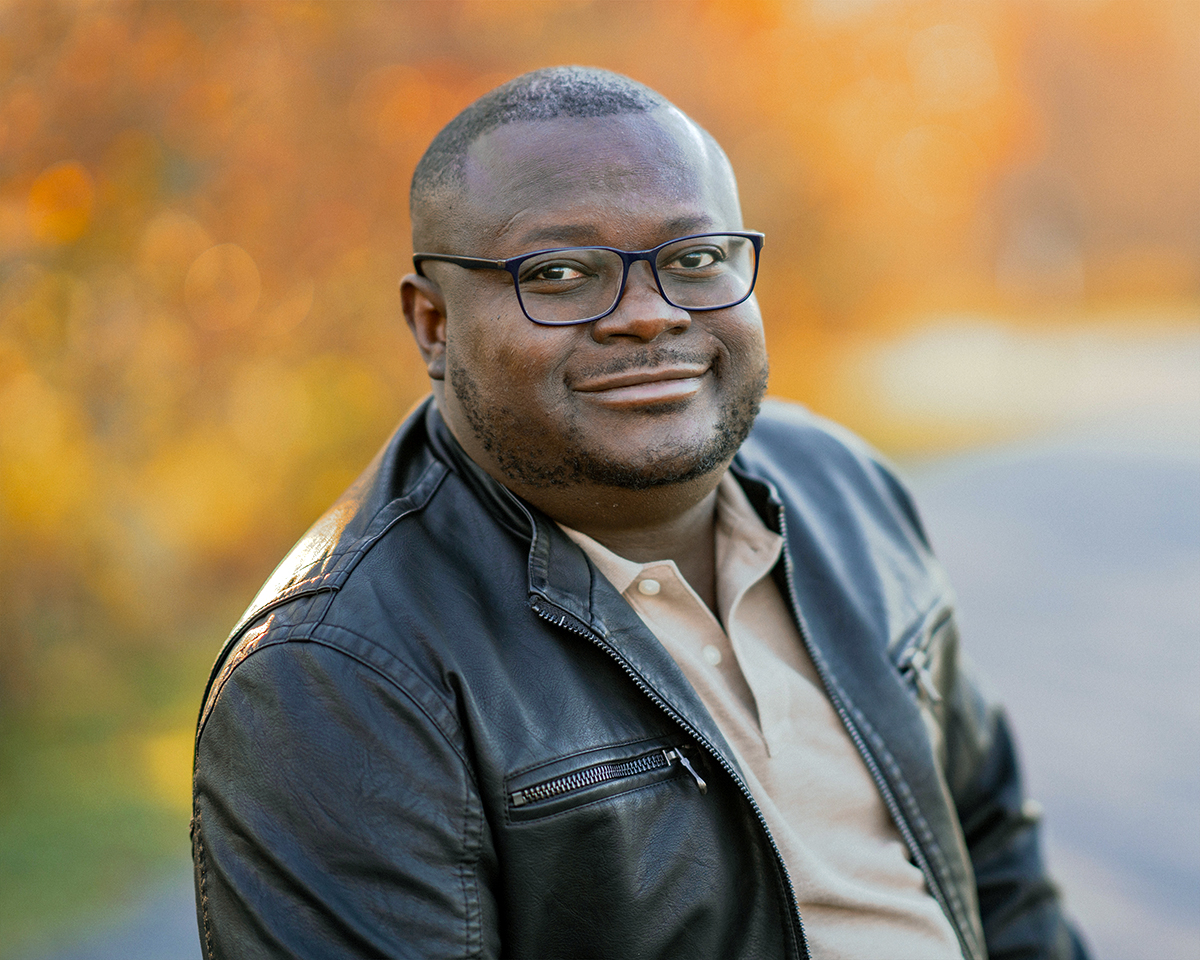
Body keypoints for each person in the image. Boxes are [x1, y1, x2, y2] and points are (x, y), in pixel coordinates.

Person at [191, 67, 1087, 960]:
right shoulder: (334, 676)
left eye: (695, 260)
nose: (649, 316)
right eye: (561, 272)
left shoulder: (841, 483)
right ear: (432, 324)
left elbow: (994, 853)